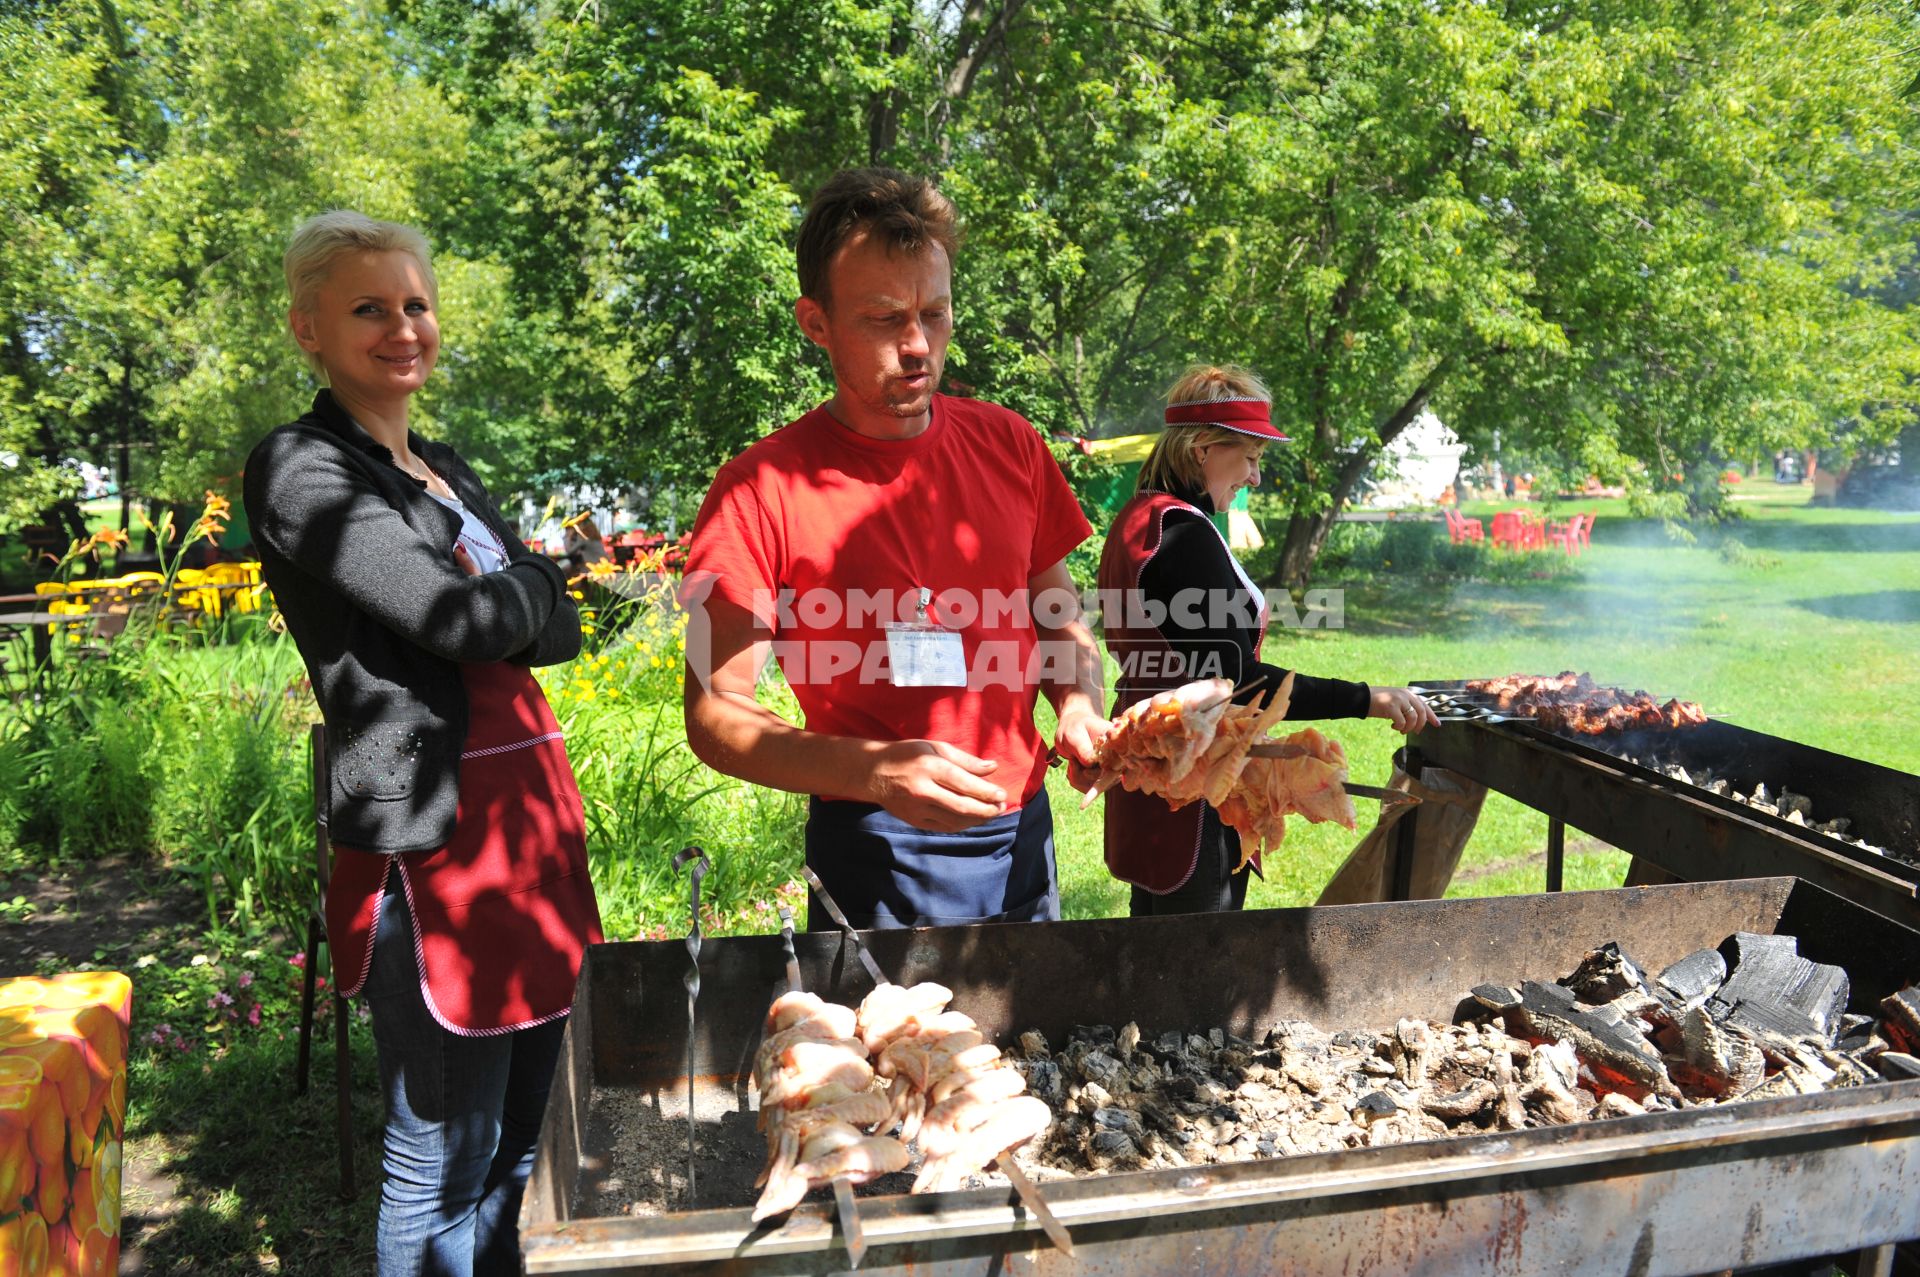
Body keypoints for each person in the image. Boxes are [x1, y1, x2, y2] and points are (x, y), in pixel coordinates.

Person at [244, 211, 602, 1275]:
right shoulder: (300, 468)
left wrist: (527, 596)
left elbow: (560, 634)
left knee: (522, 1135)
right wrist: (539, 577)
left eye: (415, 304)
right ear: (308, 328)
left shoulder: (439, 465)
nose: (403, 327)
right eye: (368, 308)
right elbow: (466, 623)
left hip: (529, 828)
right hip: (429, 841)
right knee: (442, 1153)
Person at [681, 167, 1107, 930]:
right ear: (817, 323)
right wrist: (873, 771)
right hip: (875, 840)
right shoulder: (762, 486)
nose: (918, 346)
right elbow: (716, 713)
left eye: (934, 315)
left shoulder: (1009, 443)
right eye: (884, 320)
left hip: (1023, 835)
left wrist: (1078, 701)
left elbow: (1059, 618)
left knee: (1029, 1050)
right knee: (893, 1049)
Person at [1094, 364, 1439, 916]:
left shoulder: (1140, 517)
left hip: (1161, 777)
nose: (1255, 477)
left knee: (1158, 955)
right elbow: (1239, 682)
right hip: (1192, 785)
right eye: (1250, 459)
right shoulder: (1182, 536)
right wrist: (1365, 699)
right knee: (1197, 965)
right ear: (1203, 448)